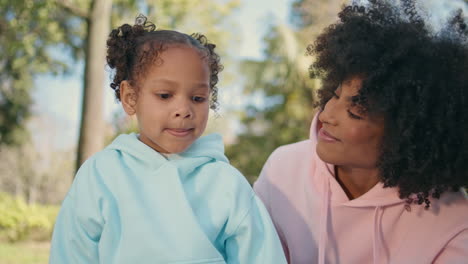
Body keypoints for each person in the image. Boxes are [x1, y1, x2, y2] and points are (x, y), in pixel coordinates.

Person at [49, 15, 286, 264]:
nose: (183, 109)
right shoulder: (101, 174)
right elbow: (72, 253)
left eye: (197, 98)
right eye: (165, 95)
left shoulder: (227, 183)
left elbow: (262, 256)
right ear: (130, 97)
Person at [254, 1, 468, 263]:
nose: (326, 115)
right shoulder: (284, 168)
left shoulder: (456, 222)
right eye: (334, 95)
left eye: (355, 112)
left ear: (407, 134)